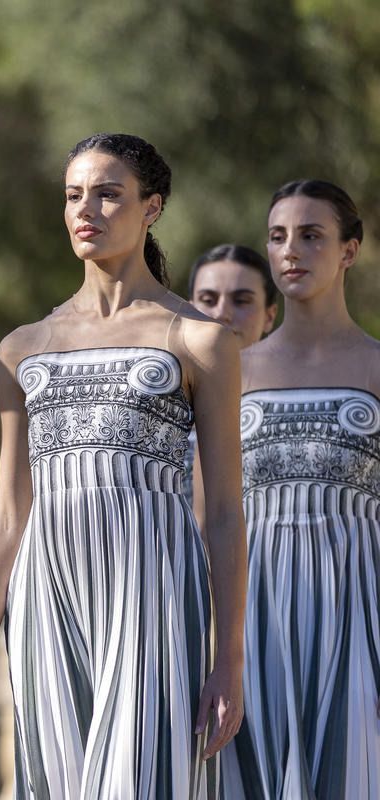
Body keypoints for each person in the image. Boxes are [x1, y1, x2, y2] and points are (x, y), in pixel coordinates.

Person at [0, 133, 246, 798]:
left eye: (109, 194)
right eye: (74, 195)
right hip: (45, 594)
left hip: (154, 589)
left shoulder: (200, 340)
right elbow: (8, 514)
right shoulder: (22, 349)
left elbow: (226, 511)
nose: (86, 209)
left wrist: (229, 659)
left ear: (152, 208)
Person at [221, 180, 380, 799]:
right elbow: (212, 515)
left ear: (349, 251)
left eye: (312, 235)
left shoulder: (375, 367)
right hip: (253, 623)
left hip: (358, 620)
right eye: (279, 236)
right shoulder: (233, 373)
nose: (291, 250)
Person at [184, 244, 279, 509]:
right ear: (189, 309)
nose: (222, 314)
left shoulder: (291, 411)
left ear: (269, 316)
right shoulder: (159, 404)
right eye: (208, 300)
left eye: (241, 301)